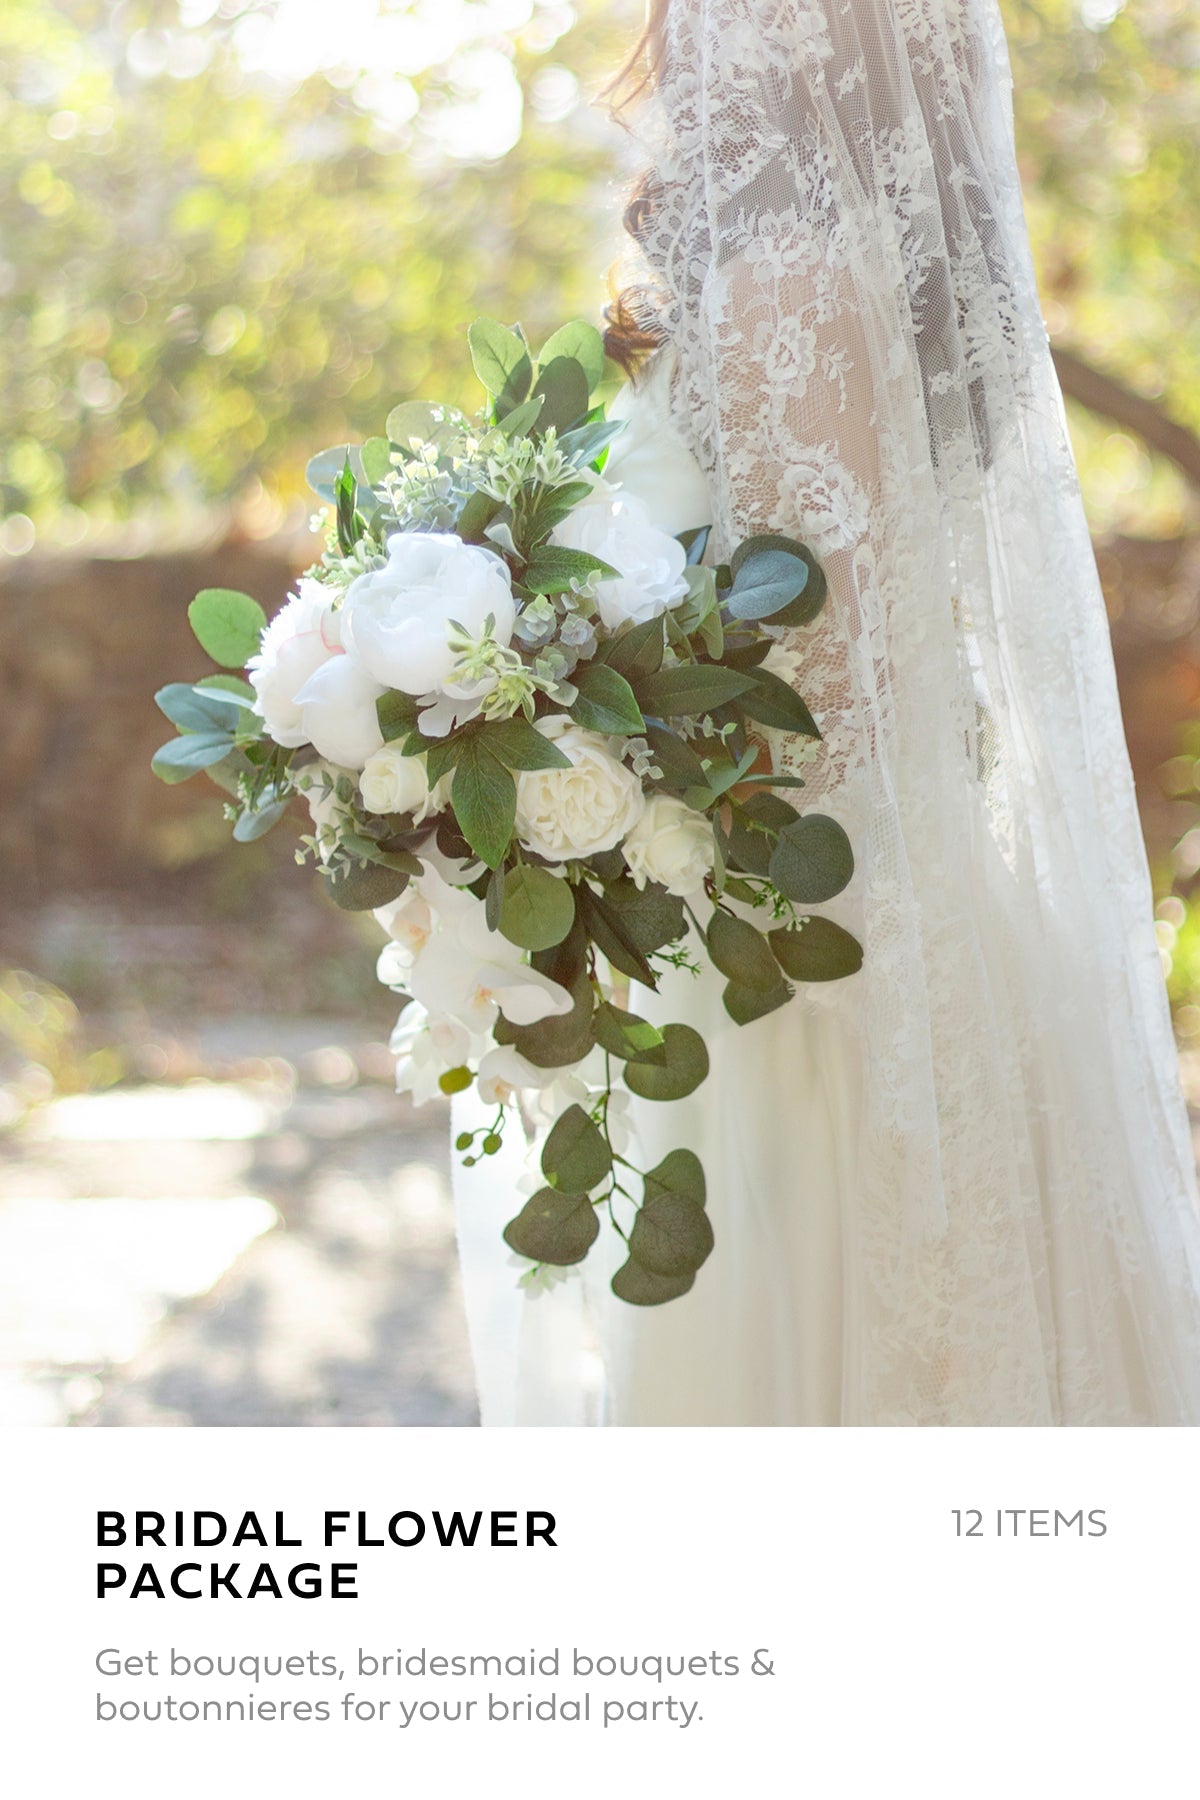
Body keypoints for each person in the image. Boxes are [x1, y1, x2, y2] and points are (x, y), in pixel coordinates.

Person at [453, 0, 1200, 1425]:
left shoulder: (791, 277)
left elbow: (826, 674)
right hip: (841, 901)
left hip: (810, 965)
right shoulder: (838, 263)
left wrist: (562, 729)